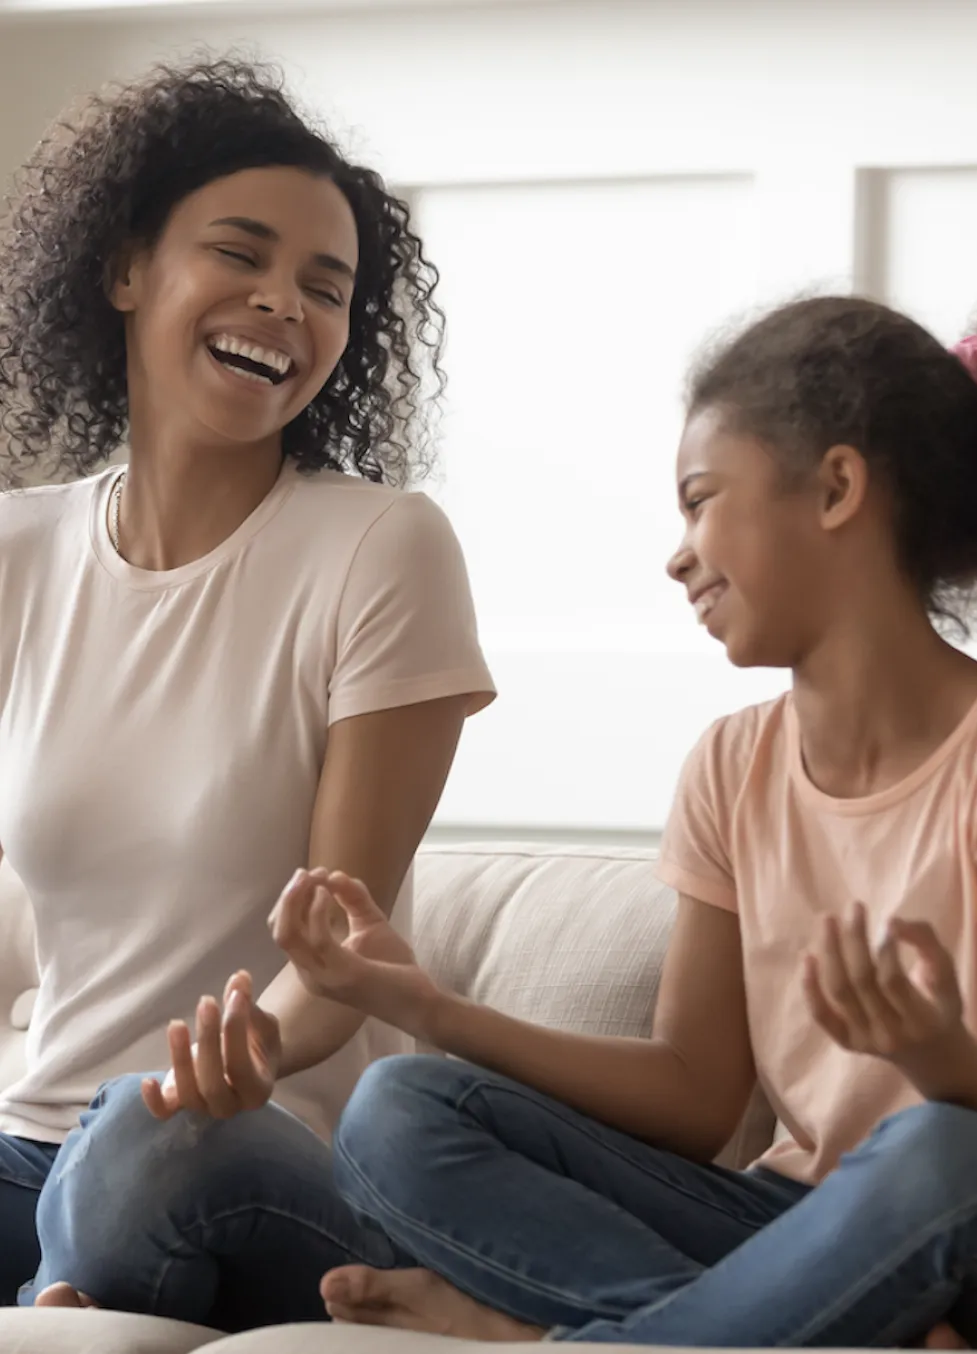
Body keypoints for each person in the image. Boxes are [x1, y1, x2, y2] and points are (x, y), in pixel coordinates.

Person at [264, 296, 977, 1346]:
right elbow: (696, 1098)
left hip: (957, 1211)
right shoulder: (731, 766)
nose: (678, 555)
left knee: (942, 1152)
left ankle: (558, 1336)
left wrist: (935, 1056)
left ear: (835, 488)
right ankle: (789, 1328)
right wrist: (427, 1007)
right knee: (399, 1111)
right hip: (787, 1224)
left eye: (700, 501)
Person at [0, 55, 494, 1323]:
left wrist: (249, 1052)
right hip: (32, 1138)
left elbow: (340, 947)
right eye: (240, 254)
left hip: (249, 1142)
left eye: (326, 288)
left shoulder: (380, 547)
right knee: (88, 1159)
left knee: (142, 1140)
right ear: (125, 271)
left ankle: (65, 1293)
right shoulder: (18, 553)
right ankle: (64, 1291)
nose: (284, 303)